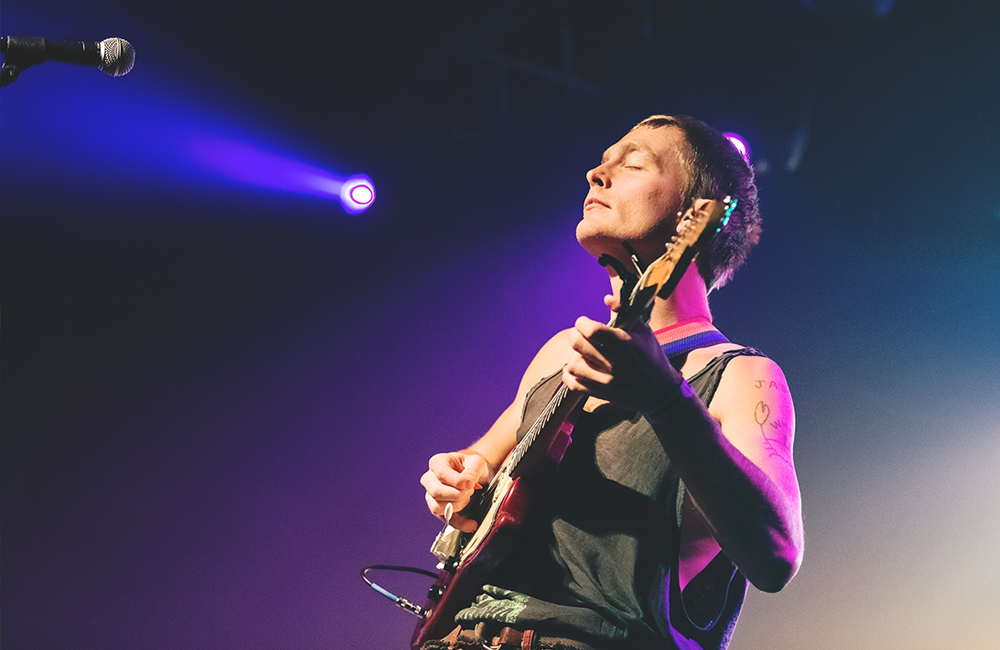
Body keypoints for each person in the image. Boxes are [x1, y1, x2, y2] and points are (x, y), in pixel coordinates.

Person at [419, 115, 804, 650]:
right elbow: (483, 463)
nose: (595, 173)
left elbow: (776, 554)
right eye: (604, 160)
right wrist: (460, 479)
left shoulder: (742, 376)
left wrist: (666, 400)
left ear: (697, 214)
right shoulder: (560, 352)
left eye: (634, 162)